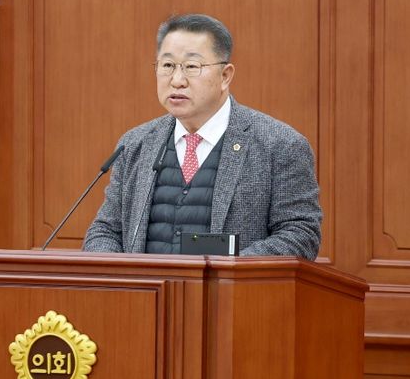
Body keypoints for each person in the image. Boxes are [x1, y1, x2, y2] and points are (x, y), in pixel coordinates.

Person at [83, 14, 322, 260]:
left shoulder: (280, 145)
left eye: (192, 66)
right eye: (167, 65)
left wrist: (229, 270)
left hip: (232, 285)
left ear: (225, 76)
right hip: (147, 287)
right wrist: (118, 271)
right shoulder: (135, 144)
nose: (177, 80)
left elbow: (300, 235)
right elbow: (105, 230)